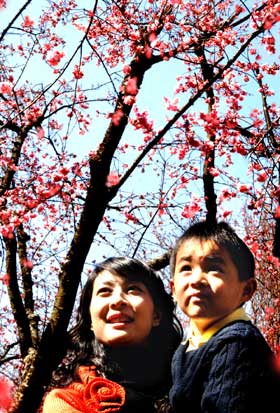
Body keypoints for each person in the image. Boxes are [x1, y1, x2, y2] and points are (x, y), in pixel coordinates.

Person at [42, 256, 183, 413]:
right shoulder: (66, 401)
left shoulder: (195, 382)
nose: (117, 300)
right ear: (90, 321)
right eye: (104, 291)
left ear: (156, 315)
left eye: (133, 289)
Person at [169, 220, 280, 413]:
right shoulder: (185, 348)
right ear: (173, 289)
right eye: (186, 268)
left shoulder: (236, 343)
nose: (196, 280)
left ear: (246, 290)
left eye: (214, 268)